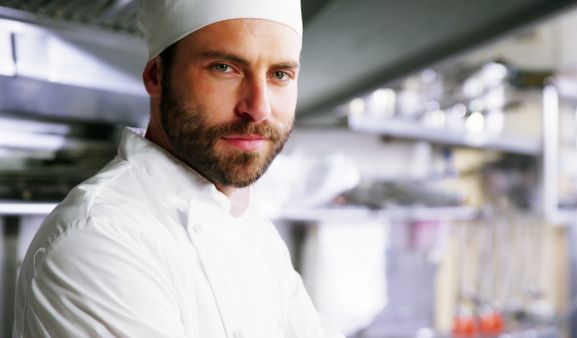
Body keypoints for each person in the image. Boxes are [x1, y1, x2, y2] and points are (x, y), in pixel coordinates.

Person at [13, 0, 344, 337]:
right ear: (156, 76)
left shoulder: (257, 235)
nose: (258, 107)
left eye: (279, 74)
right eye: (224, 67)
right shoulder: (98, 239)